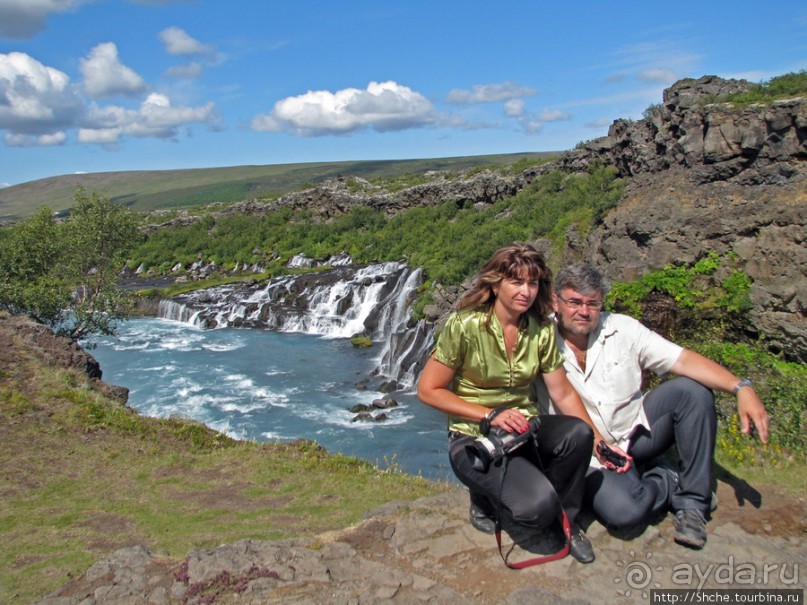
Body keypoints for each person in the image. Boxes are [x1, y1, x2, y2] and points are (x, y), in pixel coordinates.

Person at [417, 243, 628, 564]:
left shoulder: (541, 330)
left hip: (526, 431)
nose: (525, 291)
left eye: (533, 283)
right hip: (473, 437)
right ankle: (486, 497)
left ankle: (567, 523)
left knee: (578, 435)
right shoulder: (465, 326)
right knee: (534, 510)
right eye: (516, 282)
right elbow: (428, 390)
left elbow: (564, 394)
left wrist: (599, 440)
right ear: (495, 283)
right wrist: (490, 414)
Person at [545, 263, 769, 549]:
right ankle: (668, 479)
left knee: (692, 392)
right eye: (574, 302)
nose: (584, 311)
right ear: (556, 302)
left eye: (593, 303)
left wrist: (742, 387)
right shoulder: (539, 339)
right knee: (624, 512)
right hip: (588, 452)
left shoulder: (622, 328)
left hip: (635, 432)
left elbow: (682, 360)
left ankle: (693, 504)